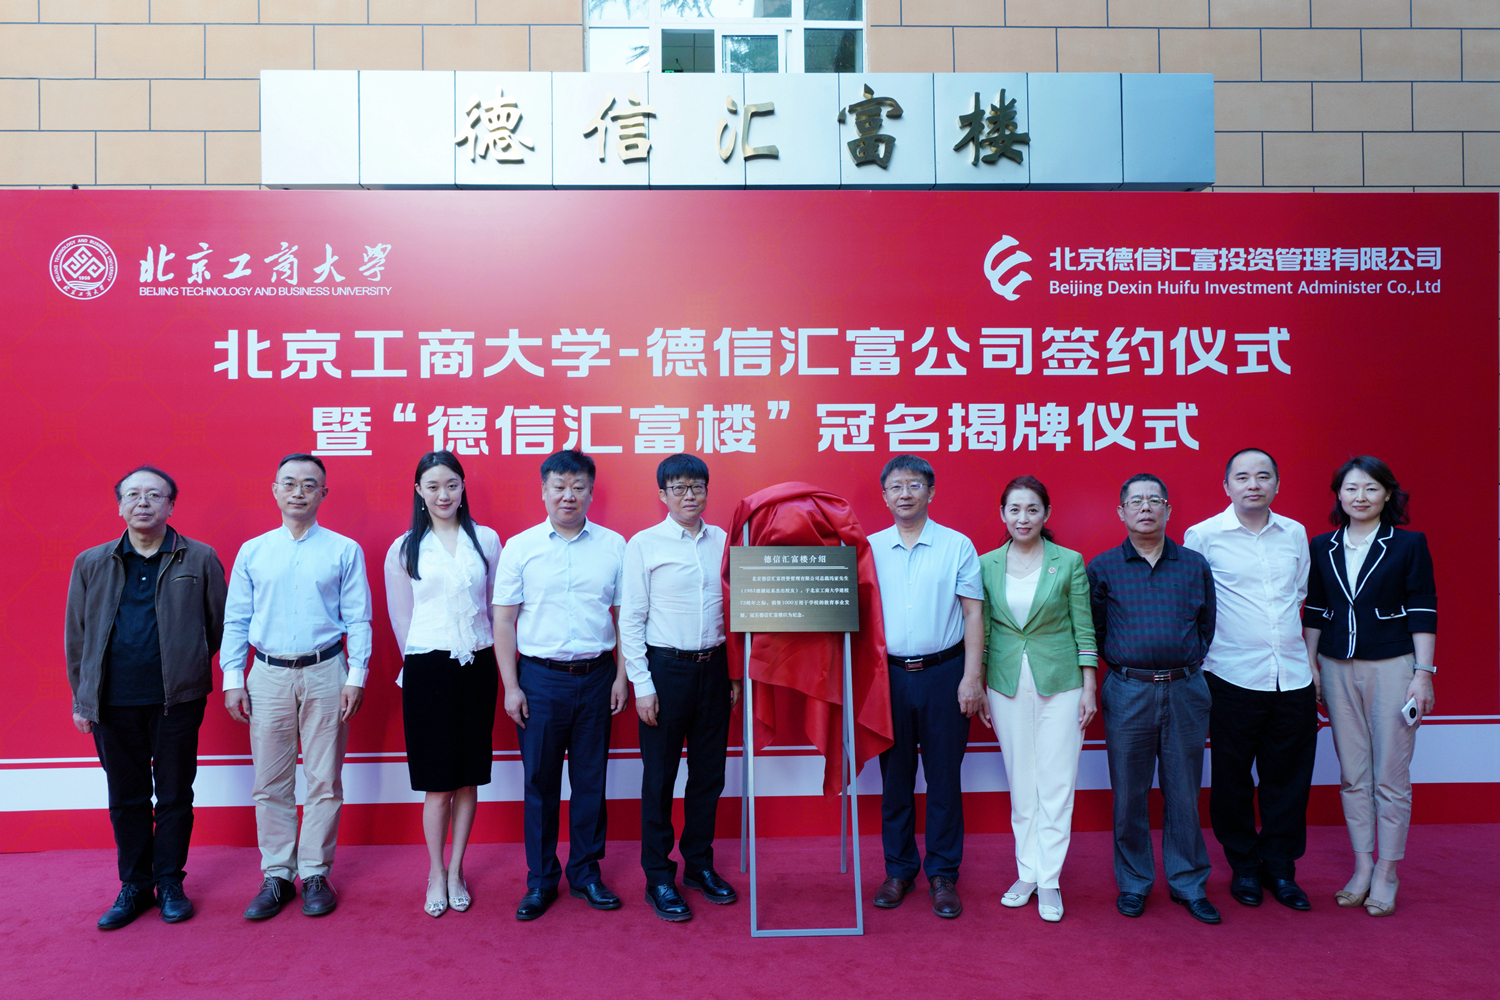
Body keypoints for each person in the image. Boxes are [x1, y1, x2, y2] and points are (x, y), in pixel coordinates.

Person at [65, 466, 227, 929]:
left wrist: (187, 664)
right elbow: (77, 637)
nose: (143, 502)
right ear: (119, 505)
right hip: (111, 701)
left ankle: (170, 881)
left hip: (177, 700)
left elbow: (217, 625)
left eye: (155, 495)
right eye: (133, 495)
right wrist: (82, 698)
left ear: (171, 505)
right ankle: (134, 885)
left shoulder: (199, 558)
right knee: (126, 796)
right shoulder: (91, 562)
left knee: (174, 793)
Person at [221, 454, 372, 920]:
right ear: (275, 490)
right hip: (267, 673)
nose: (298, 492)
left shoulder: (343, 549)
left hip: (327, 670)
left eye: (309, 484)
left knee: (324, 778)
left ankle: (315, 872)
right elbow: (236, 619)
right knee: (270, 781)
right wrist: (232, 677)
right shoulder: (253, 551)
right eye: (289, 483)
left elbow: (358, 618)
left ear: (323, 493)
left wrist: (357, 675)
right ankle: (277, 874)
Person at [492, 449, 628, 921]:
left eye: (578, 487)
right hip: (540, 680)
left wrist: (622, 677)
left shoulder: (613, 546)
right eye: (559, 486)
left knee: (591, 781)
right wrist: (511, 686)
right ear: (544, 490)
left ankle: (586, 873)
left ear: (590, 491)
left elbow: (625, 618)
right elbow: (503, 621)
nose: (568, 495)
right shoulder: (520, 547)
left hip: (597, 677)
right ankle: (541, 880)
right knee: (540, 783)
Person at [1183, 449, 1315, 912]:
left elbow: (1299, 593)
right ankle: (1242, 866)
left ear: (1277, 484)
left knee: (1288, 781)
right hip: (1230, 676)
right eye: (1242, 477)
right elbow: (1194, 603)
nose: (1253, 484)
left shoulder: (1294, 533)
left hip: (1292, 676)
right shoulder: (1203, 535)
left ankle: (1280, 868)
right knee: (1232, 780)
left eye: (1263, 476)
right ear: (1227, 486)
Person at [1304, 456, 1435, 917]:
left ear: (1387, 495)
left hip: (1393, 667)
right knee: (1353, 774)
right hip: (1335, 666)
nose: (1360, 497)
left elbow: (1423, 606)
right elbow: (1315, 608)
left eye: (1371, 488)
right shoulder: (1322, 545)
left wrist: (1423, 673)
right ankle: (1362, 867)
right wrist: (1312, 666)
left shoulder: (1408, 544)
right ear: (1338, 495)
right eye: (1351, 488)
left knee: (1391, 776)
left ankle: (1387, 871)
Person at [1088, 473, 1219, 924]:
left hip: (1185, 689)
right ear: (1121, 511)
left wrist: (1180, 663)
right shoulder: (1103, 567)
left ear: (1168, 509)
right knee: (1129, 794)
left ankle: (1189, 884)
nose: (1145, 507)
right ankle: (1134, 882)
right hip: (1128, 690)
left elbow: (1207, 626)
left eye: (1154, 500)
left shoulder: (1194, 565)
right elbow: (1096, 630)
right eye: (1136, 501)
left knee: (1184, 792)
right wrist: (1130, 665)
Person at [619, 454, 742, 922]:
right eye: (679, 488)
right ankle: (658, 876)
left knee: (709, 775)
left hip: (715, 670)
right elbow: (631, 619)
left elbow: (735, 611)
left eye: (697, 487)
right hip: (665, 671)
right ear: (663, 494)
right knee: (660, 778)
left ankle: (699, 866)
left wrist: (734, 674)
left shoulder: (725, 543)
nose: (689, 496)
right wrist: (642, 685)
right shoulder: (644, 544)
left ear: (707, 491)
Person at [868, 455, 986, 919]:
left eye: (914, 485)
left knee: (944, 779)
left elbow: (973, 614)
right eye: (896, 487)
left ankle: (942, 875)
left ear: (931, 492)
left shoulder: (957, 546)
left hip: (944, 675)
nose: (905, 494)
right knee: (894, 780)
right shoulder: (869, 548)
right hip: (890, 677)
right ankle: (898, 871)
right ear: (884, 496)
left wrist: (971, 678)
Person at [384, 451, 500, 918]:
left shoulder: (486, 540)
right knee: (438, 783)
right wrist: (419, 667)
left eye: (451, 484)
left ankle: (456, 870)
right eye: (432, 486)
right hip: (427, 667)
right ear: (419, 491)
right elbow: (401, 619)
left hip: (478, 664)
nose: (443, 494)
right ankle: (435, 870)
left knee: (468, 776)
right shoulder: (405, 548)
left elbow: (493, 607)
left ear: (463, 486)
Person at [978, 476, 1096, 923]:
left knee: (1057, 783)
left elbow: (1083, 626)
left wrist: (1089, 686)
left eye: (1032, 509)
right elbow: (983, 630)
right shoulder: (986, 564)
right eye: (1014, 509)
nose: (1023, 518)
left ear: (1046, 514)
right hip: (1005, 681)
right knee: (1022, 783)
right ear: (1002, 514)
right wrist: (980, 683)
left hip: (1062, 681)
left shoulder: (1068, 561)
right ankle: (1026, 872)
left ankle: (1049, 879)